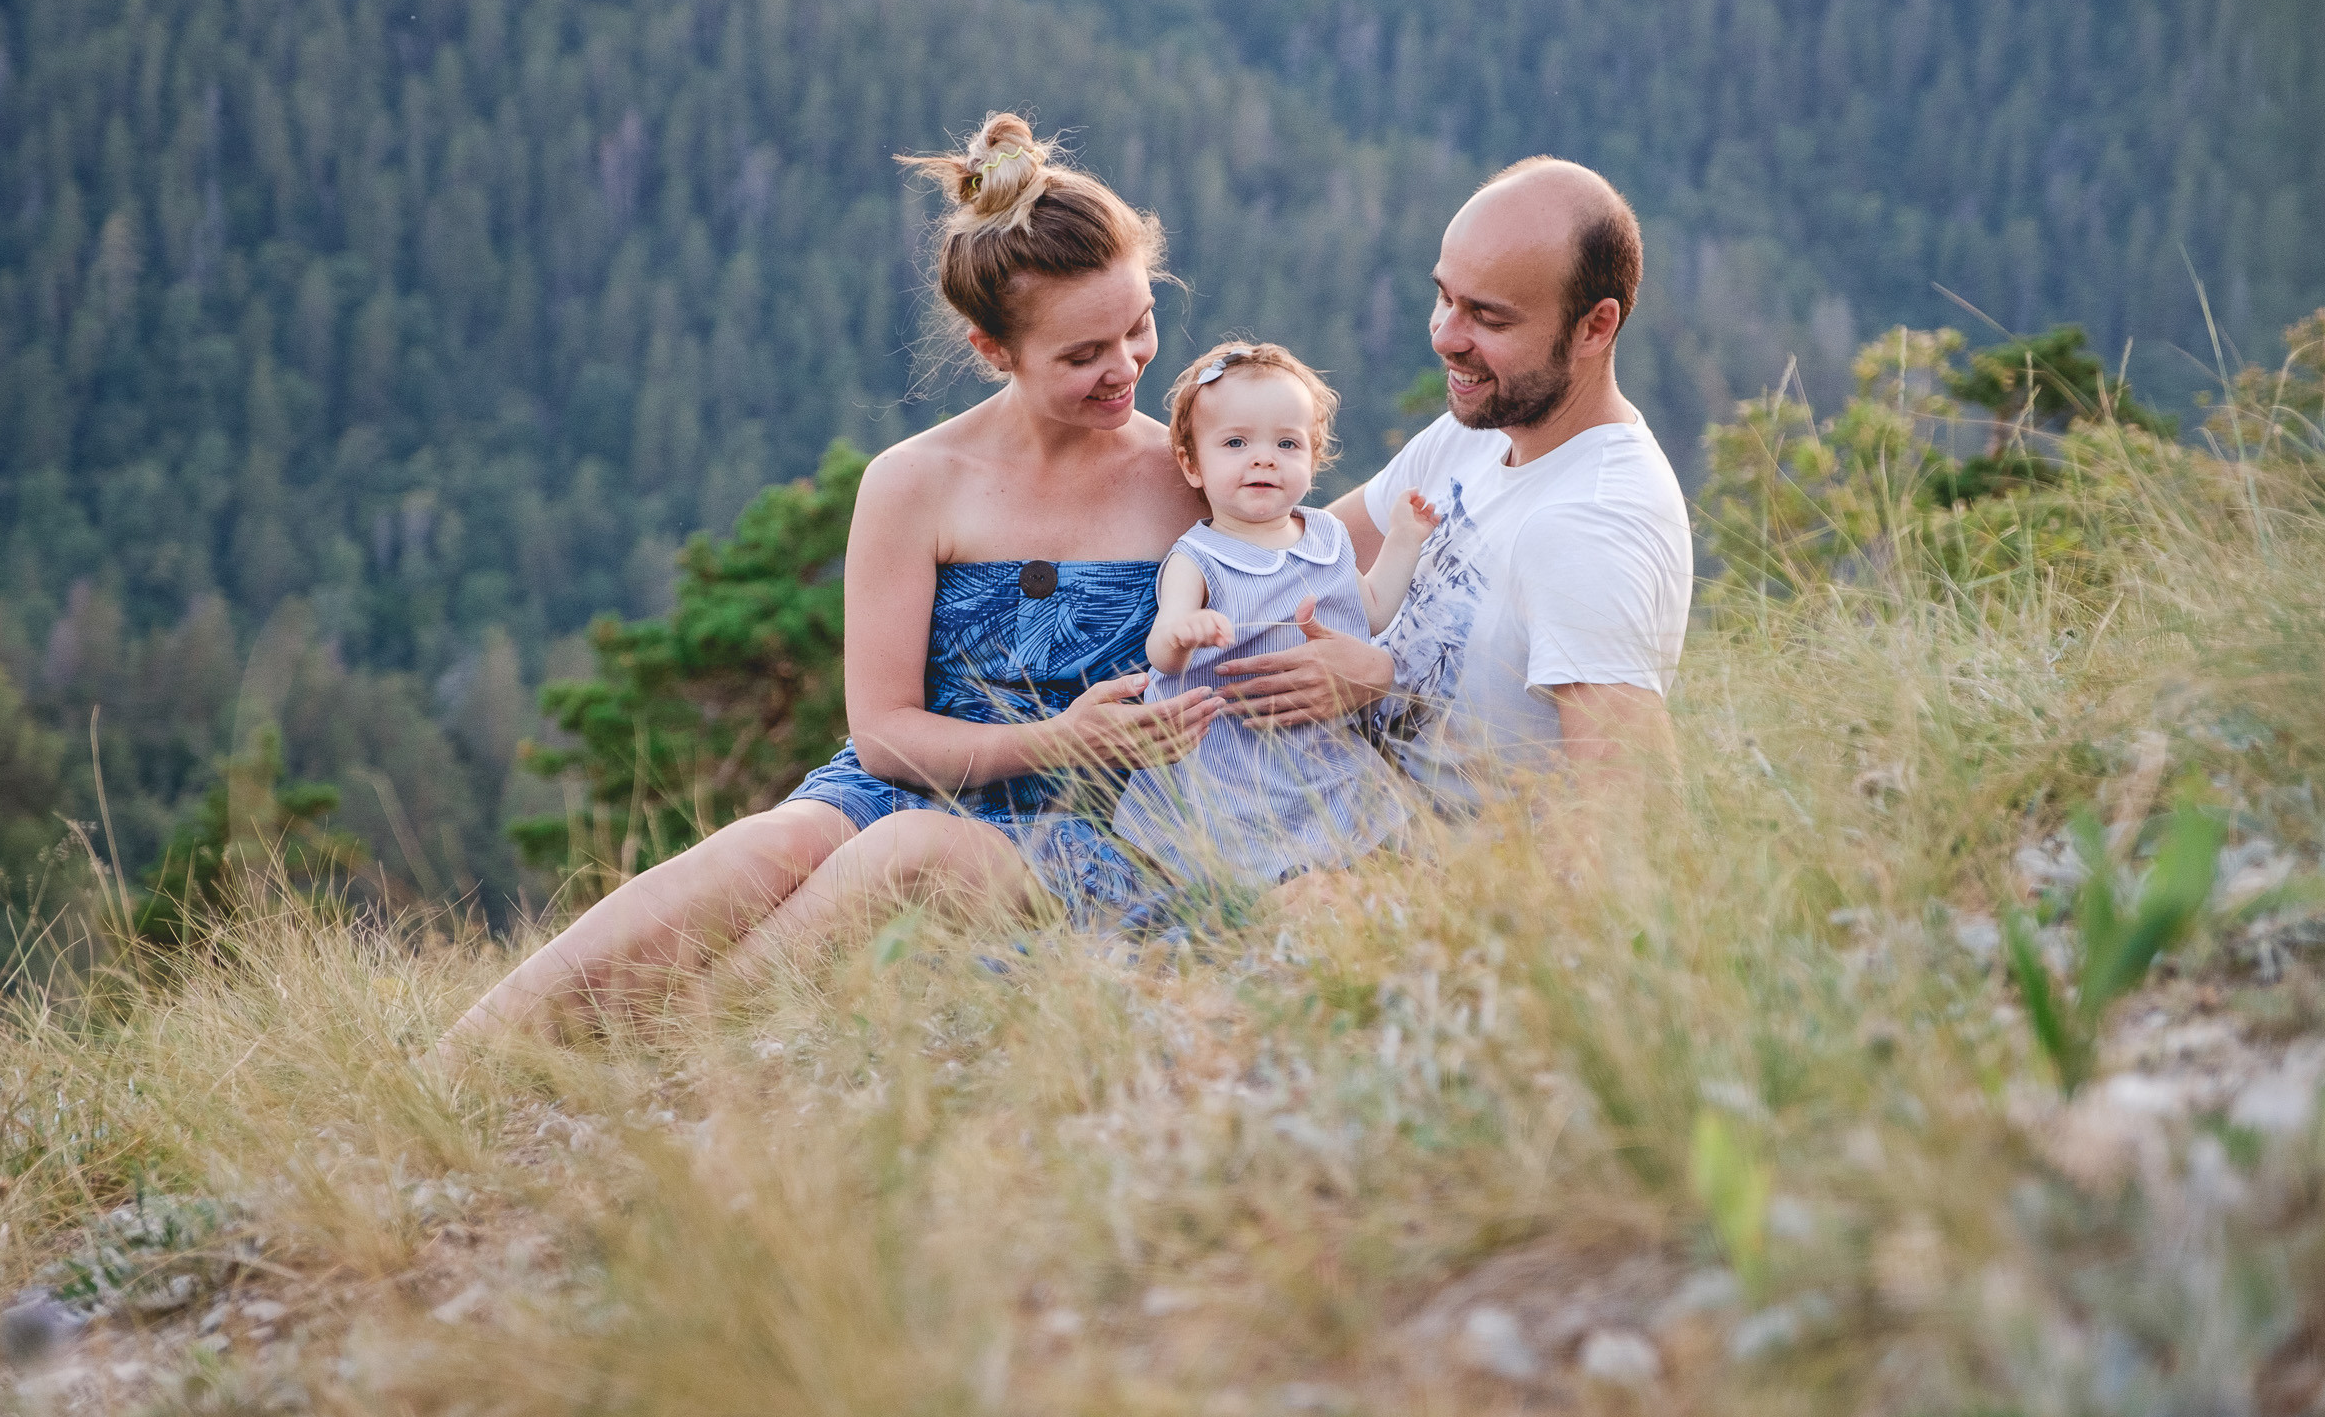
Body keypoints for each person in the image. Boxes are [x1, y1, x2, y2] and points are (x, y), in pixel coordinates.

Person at [444, 112, 1222, 1044]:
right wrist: (1059, 736)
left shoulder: (1192, 478)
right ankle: (462, 1061)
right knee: (780, 838)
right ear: (994, 352)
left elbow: (1318, 563)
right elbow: (886, 737)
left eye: (1137, 328)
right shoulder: (914, 482)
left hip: (1094, 829)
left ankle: (672, 1054)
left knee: (905, 854)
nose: (1126, 367)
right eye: (1082, 355)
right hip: (907, 782)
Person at [1219, 156, 1692, 814]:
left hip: (1432, 892)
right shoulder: (1474, 432)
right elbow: (1295, 559)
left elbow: (1635, 820)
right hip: (1324, 822)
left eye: (1489, 319)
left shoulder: (1589, 527)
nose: (1444, 336)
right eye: (1444, 296)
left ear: (1595, 326)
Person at [1110, 341, 1436, 889]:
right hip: (1226, 760)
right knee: (1239, 881)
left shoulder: (1327, 536)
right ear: (1192, 465)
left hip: (1320, 749)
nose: (1264, 458)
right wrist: (1185, 634)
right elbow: (1159, 646)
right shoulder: (1198, 557)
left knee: (1383, 864)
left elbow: (1372, 612)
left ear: (1313, 457)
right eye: (1236, 443)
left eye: (1287, 443)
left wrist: (1404, 540)